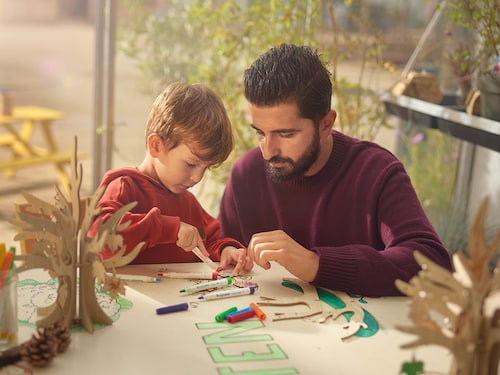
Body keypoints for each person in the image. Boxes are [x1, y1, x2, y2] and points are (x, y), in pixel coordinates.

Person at [218, 44, 452, 296]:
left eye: (285, 134)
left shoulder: (376, 172)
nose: (268, 151)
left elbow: (433, 266)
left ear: (326, 124)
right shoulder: (246, 174)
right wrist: (225, 250)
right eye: (260, 133)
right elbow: (220, 249)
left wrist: (317, 265)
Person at [91, 82, 253, 275]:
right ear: (156, 146)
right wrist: (167, 228)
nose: (197, 177)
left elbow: (211, 239)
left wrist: (226, 250)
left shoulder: (188, 202)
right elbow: (100, 237)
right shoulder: (124, 187)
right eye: (191, 164)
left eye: (206, 168)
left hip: (181, 302)